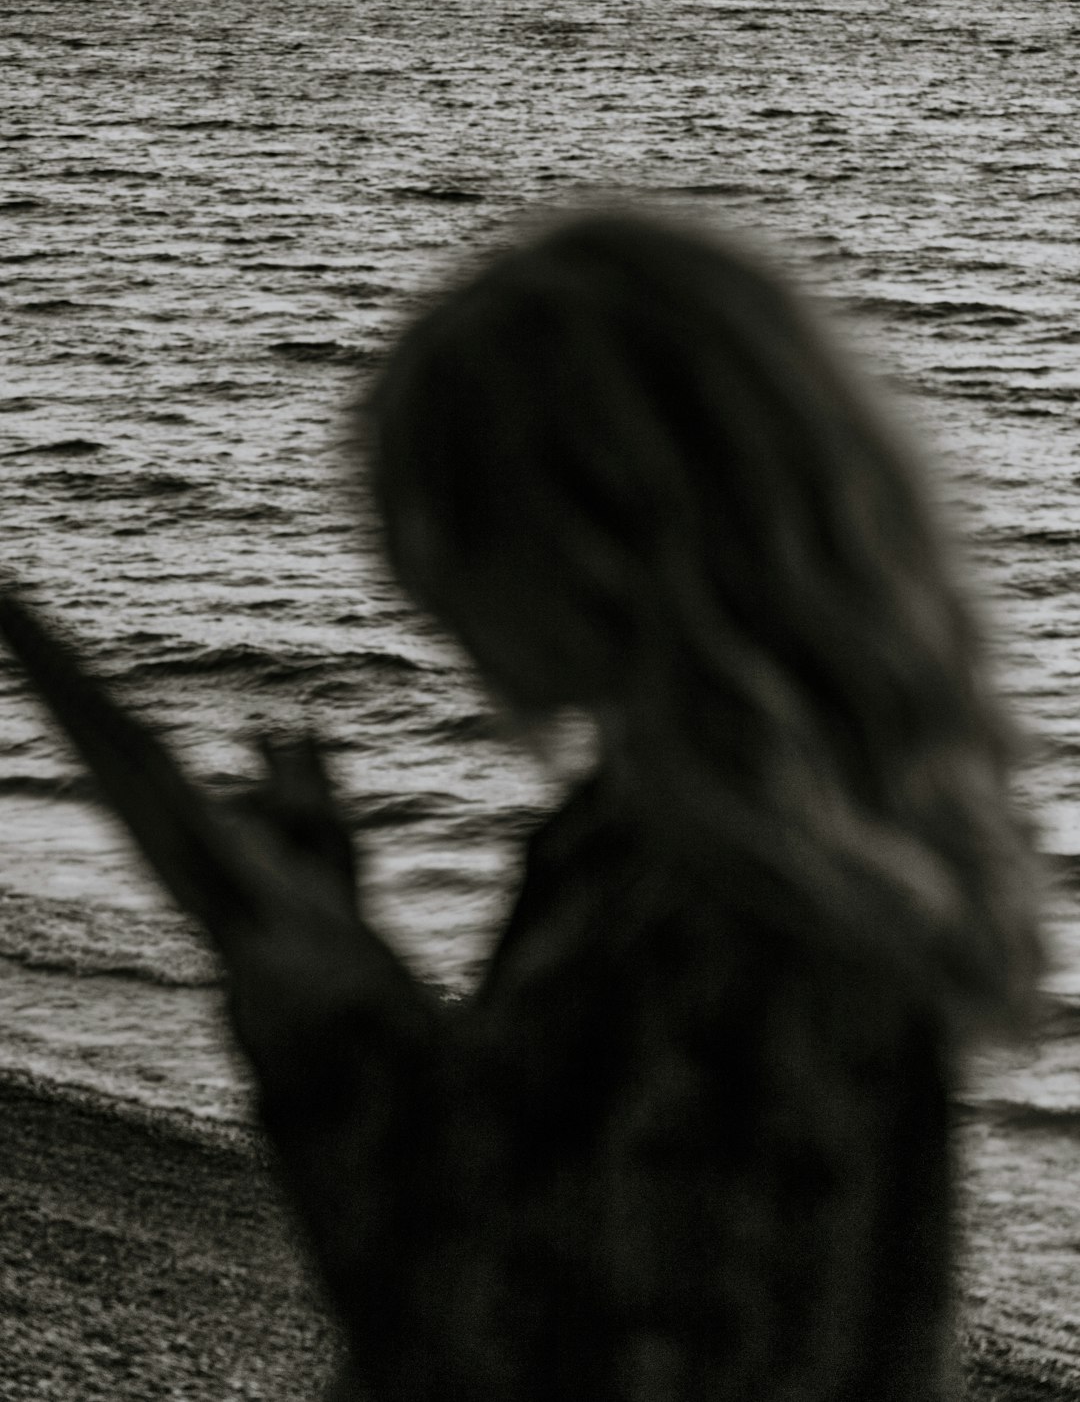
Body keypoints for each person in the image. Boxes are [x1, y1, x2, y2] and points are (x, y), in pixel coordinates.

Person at [0, 208, 1045, 1400]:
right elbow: (547, 1212)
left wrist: (330, 1026)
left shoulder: (719, 908)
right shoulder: (728, 843)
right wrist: (332, 954)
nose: (420, 586)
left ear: (599, 538)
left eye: (440, 527)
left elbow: (531, 1340)